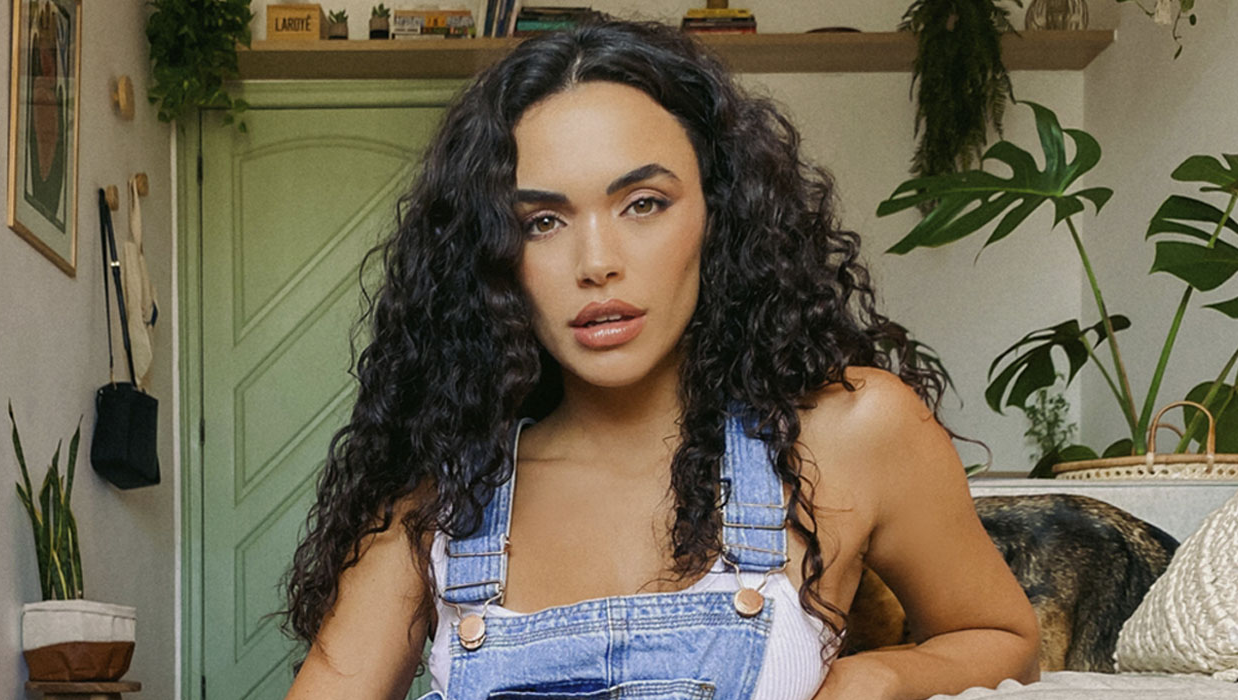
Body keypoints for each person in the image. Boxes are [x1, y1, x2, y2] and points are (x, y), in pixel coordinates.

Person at [282, 19, 1039, 700]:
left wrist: (875, 677)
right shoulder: (438, 501)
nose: (596, 263)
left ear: (719, 211)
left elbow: (1002, 637)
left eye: (643, 203)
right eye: (541, 221)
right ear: (493, 257)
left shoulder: (852, 432)